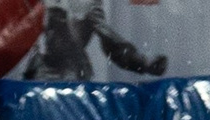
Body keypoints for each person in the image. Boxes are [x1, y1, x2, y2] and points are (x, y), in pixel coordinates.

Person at [18, 1, 166, 79]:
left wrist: (142, 63)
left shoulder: (88, 2)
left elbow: (112, 44)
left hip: (71, 74)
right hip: (39, 72)